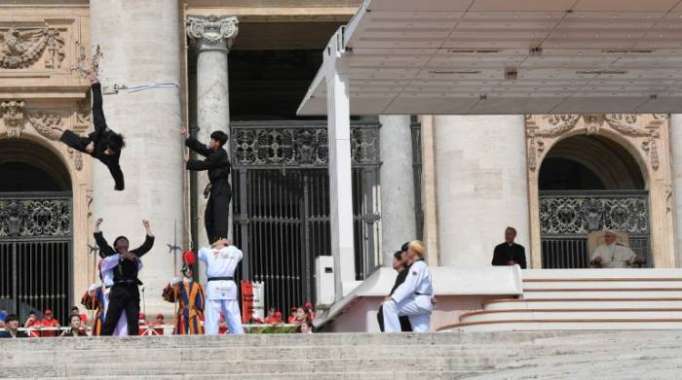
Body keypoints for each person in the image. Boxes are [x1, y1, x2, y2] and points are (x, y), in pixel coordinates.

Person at [53, 71, 125, 190]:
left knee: (83, 147)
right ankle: (95, 83)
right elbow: (99, 129)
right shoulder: (107, 134)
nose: (108, 152)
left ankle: (63, 135)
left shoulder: (113, 158)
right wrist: (92, 142)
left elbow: (117, 172)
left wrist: (119, 186)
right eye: (109, 150)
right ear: (108, 144)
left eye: (111, 152)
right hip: (99, 136)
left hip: (97, 153)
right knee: (96, 109)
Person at [96, 219, 155, 336]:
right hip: (119, 289)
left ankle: (133, 345)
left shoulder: (134, 254)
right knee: (111, 319)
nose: (123, 242)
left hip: (132, 289)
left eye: (125, 241)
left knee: (133, 319)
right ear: (116, 246)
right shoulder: (113, 255)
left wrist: (148, 228)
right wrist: (97, 227)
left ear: (128, 245)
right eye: (120, 241)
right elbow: (102, 243)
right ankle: (103, 342)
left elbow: (146, 246)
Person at [181, 128, 231, 243]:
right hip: (216, 188)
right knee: (209, 217)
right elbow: (202, 148)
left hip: (222, 189)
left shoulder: (221, 154)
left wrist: (189, 162)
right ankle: (214, 243)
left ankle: (221, 243)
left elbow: (206, 164)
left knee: (220, 218)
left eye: (212, 140)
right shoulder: (215, 152)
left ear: (217, 142)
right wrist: (188, 137)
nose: (210, 142)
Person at [382, 240, 433, 333]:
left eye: (408, 249)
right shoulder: (422, 266)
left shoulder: (418, 266)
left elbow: (409, 286)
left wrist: (393, 298)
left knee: (389, 306)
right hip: (422, 303)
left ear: (413, 251)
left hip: (418, 303)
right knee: (421, 333)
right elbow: (427, 286)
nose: (406, 251)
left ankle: (393, 336)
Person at [199, 239, 244, 336]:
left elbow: (200, 254)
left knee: (212, 316)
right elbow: (240, 254)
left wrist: (214, 246)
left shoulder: (207, 251)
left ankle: (211, 338)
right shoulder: (234, 251)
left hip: (214, 285)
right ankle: (239, 336)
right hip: (229, 284)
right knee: (233, 314)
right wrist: (227, 245)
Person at [162, 250, 205, 335]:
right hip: (182, 313)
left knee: (196, 334)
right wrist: (170, 285)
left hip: (193, 313)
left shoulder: (197, 286)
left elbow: (201, 302)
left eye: (190, 270)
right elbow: (169, 297)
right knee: (180, 333)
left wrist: (199, 313)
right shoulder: (179, 285)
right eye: (187, 270)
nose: (189, 272)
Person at [377, 249, 413, 332]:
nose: (393, 262)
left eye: (395, 260)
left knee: (385, 308)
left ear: (401, 261)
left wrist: (390, 298)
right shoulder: (402, 274)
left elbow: (400, 291)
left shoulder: (404, 274)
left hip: (403, 307)